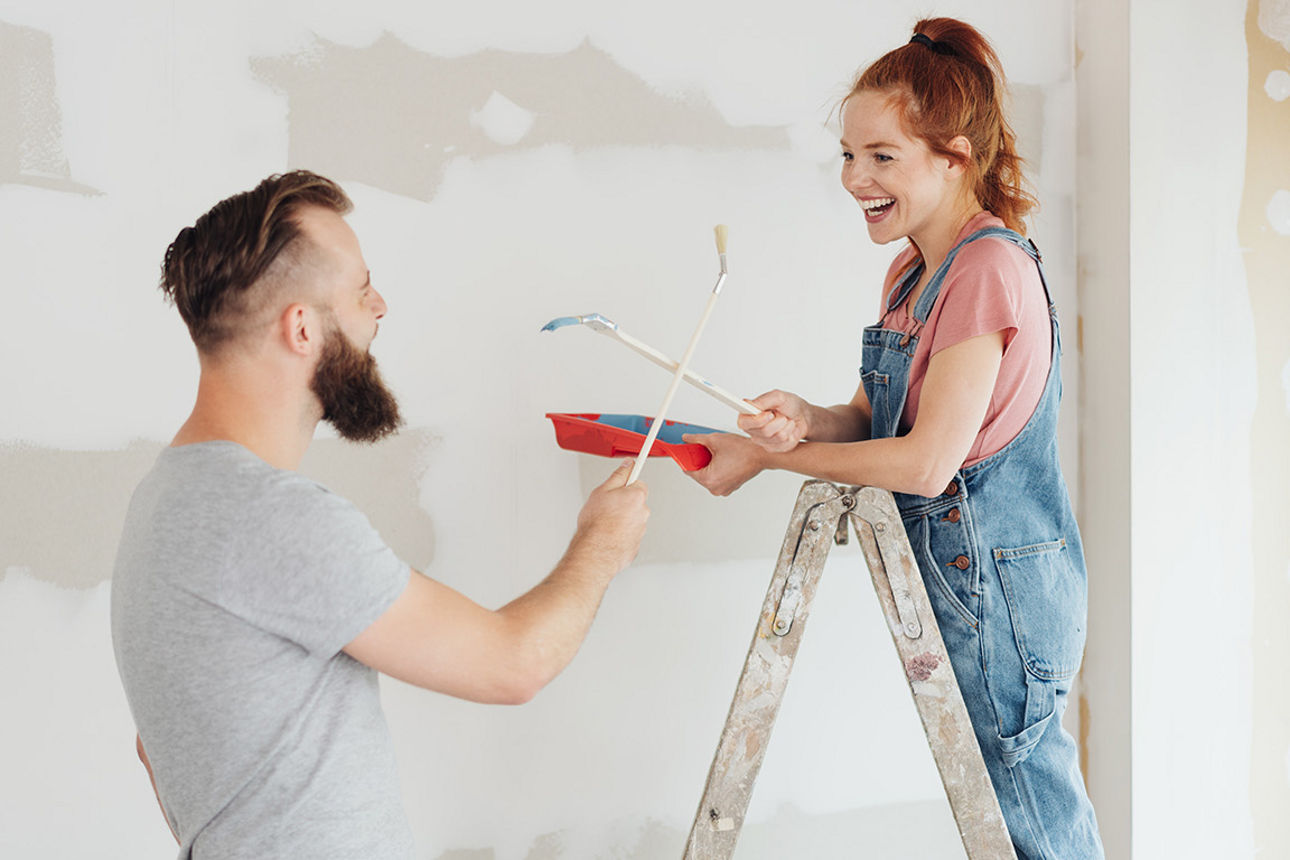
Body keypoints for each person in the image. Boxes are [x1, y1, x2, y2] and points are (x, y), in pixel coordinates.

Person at [110, 170, 650, 859]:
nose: (380, 307)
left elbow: (153, 753)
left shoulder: (164, 501)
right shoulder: (274, 517)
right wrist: (603, 541)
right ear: (301, 327)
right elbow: (514, 665)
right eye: (362, 289)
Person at [683, 18, 1103, 859]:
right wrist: (802, 418)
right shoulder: (914, 267)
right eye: (847, 155)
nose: (854, 178)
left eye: (881, 156)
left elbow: (923, 462)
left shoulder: (987, 270)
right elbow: (877, 423)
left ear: (955, 156)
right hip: (966, 581)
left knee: (1036, 829)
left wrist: (769, 456)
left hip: (1001, 595)